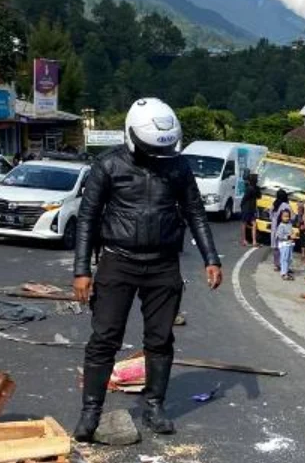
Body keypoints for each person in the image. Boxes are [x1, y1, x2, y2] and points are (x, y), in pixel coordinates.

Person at [71, 98, 222, 441]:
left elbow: (195, 212)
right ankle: (90, 413)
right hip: (117, 261)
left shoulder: (178, 167)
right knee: (104, 338)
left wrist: (212, 258)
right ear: (131, 137)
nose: (157, 157)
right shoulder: (107, 166)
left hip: (163, 264)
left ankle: (154, 406)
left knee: (160, 339)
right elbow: (88, 219)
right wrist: (82, 269)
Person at [275, 208, 297, 281]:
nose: (286, 218)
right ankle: (284, 273)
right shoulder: (281, 225)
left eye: (288, 216)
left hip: (289, 243)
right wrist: (289, 236)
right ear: (281, 217)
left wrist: (293, 234)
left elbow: (291, 231)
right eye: (285, 216)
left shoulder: (289, 223)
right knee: (284, 258)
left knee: (289, 258)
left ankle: (287, 269)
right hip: (284, 244)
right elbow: (280, 236)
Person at [240, 173, 261, 246]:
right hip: (252, 208)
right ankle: (253, 241)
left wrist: (241, 205)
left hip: (246, 208)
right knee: (253, 224)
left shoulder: (249, 188)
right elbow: (259, 196)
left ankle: (244, 240)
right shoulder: (256, 188)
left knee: (244, 223)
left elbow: (245, 198)